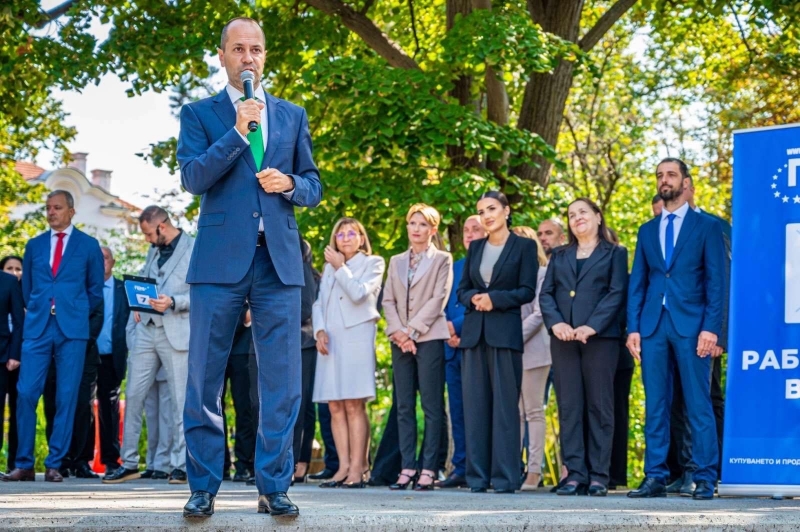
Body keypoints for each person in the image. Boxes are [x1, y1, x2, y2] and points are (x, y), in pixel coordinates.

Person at [177, 16, 322, 518]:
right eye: (238, 49)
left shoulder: (292, 115)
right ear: (222, 56)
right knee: (205, 377)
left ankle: (274, 486)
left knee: (282, 381)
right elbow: (193, 178)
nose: (248, 58)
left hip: (278, 262)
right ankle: (203, 487)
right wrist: (237, 134)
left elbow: (313, 184)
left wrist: (292, 185)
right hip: (218, 263)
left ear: (264, 56)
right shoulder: (199, 113)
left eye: (256, 49)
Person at [626, 158, 726, 501]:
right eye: (659, 175)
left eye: (671, 174)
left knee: (698, 404)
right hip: (653, 326)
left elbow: (717, 283)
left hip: (693, 327)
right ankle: (655, 476)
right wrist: (633, 328)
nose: (664, 180)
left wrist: (712, 329)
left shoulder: (707, 227)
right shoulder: (647, 230)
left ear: (685, 182)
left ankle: (705, 477)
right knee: (656, 404)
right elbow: (638, 283)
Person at [4, 190, 104, 483]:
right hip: (37, 328)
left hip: (72, 330)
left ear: (71, 211)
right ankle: (23, 464)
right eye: (48, 208)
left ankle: (54, 464)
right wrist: (39, 308)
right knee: (25, 393)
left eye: (57, 208)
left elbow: (95, 290)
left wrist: (74, 311)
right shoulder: (34, 245)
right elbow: (27, 288)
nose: (51, 212)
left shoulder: (89, 245)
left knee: (66, 396)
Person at [539, 199, 628, 497]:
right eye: (571, 214)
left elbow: (617, 293)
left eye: (583, 212)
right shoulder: (560, 254)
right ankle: (575, 474)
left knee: (599, 406)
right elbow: (546, 294)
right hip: (563, 340)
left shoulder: (615, 253)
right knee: (569, 406)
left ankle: (599, 476)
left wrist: (592, 326)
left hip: (600, 340)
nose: (577, 218)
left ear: (598, 217)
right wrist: (556, 324)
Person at [104, 206, 194, 485]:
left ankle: (180, 465)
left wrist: (174, 302)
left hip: (176, 331)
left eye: (147, 234)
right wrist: (137, 304)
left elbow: (202, 294)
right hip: (146, 329)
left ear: (162, 226)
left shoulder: (194, 248)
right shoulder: (153, 250)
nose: (146, 239)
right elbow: (147, 280)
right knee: (133, 395)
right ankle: (129, 462)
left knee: (179, 400)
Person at [458, 191, 538, 494]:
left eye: (491, 209)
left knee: (505, 409)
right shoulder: (476, 247)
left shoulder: (525, 246)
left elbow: (527, 291)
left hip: (505, 335)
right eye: (481, 211)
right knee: (475, 408)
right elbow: (462, 290)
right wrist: (474, 298)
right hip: (474, 336)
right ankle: (477, 479)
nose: (486, 216)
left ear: (506, 210)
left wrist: (495, 299)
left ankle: (505, 479)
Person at [665, 176, 731, 495]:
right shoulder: (660, 232)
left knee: (706, 399)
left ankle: (709, 471)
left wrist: (719, 334)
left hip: (705, 333)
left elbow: (724, 281)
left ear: (689, 188)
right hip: (670, 331)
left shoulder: (714, 226)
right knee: (676, 400)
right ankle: (685, 468)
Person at [383, 204, 452, 491]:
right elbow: (387, 299)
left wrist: (411, 330)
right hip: (399, 340)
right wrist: (399, 333)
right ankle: (407, 467)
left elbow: (438, 298)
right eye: (412, 223)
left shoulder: (443, 259)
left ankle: (429, 468)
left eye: (423, 224)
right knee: (403, 406)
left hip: (429, 337)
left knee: (432, 406)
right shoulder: (396, 260)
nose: (416, 229)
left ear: (433, 229)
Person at [312, 218, 384, 488]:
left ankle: (358, 467)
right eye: (340, 234)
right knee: (334, 405)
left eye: (351, 233)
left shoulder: (373, 263)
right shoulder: (328, 268)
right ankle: (342, 466)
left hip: (356, 337)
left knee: (354, 403)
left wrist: (340, 267)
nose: (345, 238)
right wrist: (319, 330)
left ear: (362, 238)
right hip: (330, 339)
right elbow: (319, 303)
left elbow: (359, 294)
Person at [436, 215, 485, 489]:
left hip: (476, 346)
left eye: (475, 229)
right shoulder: (454, 267)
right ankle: (461, 467)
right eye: (466, 229)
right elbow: (442, 302)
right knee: (457, 410)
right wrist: (447, 331)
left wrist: (456, 327)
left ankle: (481, 467)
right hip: (451, 348)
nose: (469, 233)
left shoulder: (491, 266)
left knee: (479, 410)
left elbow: (480, 305)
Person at [511, 226, 551, 491]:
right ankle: (512, 467)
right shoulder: (509, 277)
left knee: (533, 411)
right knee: (515, 412)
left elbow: (539, 314)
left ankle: (534, 471)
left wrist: (512, 337)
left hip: (535, 350)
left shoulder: (542, 273)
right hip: (510, 352)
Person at [94, 247, 130, 475]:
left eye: (105, 258)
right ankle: (79, 460)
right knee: (82, 407)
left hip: (112, 357)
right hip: (86, 355)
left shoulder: (123, 290)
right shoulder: (85, 287)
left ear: (113, 262)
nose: (101, 262)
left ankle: (110, 460)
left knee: (109, 409)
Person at [605, 229, 634, 491]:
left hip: (619, 354)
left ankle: (616, 474)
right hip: (590, 352)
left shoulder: (628, 281)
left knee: (616, 414)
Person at [292, 239, 320, 484]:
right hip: (293, 343)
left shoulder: (304, 270)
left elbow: (305, 308)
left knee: (302, 407)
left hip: (304, 343)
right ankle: (295, 462)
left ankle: (299, 462)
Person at [221, 303, 256, 482]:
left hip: (243, 348)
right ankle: (221, 464)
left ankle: (244, 464)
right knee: (213, 408)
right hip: (217, 348)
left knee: (244, 408)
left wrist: (245, 315)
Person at [0, 257, 24, 476]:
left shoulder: (8, 283)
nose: (15, 272)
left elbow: (18, 321)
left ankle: (14, 462)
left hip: (5, 357)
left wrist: (14, 354)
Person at [141, 365, 173, 480]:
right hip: (147, 367)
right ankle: (152, 463)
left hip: (168, 366)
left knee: (166, 416)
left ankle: (163, 464)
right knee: (151, 417)